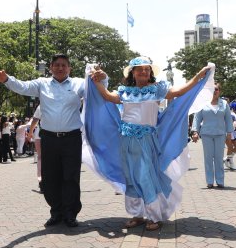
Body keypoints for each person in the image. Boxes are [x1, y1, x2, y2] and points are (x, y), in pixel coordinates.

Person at [86, 57, 213, 230]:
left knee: (145, 176)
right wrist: (96, 81)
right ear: (133, 72)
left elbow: (178, 92)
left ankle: (154, 216)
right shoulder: (125, 91)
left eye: (146, 69)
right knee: (130, 176)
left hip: (146, 140)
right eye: (139, 69)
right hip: (126, 139)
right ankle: (137, 214)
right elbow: (107, 96)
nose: (143, 72)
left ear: (150, 73)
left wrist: (197, 77)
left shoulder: (157, 90)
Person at [0, 53, 108, 228]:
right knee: (50, 177)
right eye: (57, 65)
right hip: (48, 138)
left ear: (69, 68)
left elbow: (98, 91)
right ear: (51, 68)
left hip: (71, 138)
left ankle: (70, 214)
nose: (60, 68)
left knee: (70, 177)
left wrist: (103, 78)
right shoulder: (42, 84)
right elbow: (23, 87)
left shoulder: (79, 83)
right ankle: (56, 212)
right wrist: (6, 79)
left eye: (64, 65)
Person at [191, 83, 233, 188]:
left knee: (219, 158)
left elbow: (228, 119)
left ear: (220, 91)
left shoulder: (224, 104)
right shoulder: (203, 103)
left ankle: (220, 180)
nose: (215, 91)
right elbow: (197, 118)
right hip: (206, 134)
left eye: (217, 89)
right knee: (208, 158)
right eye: (213, 89)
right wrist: (195, 131)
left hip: (220, 134)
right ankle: (209, 181)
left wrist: (229, 133)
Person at [27, 105, 42, 191]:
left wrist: (30, 133)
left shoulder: (41, 106)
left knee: (41, 158)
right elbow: (35, 120)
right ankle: (41, 180)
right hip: (44, 135)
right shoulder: (41, 106)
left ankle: (42, 180)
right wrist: (30, 133)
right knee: (41, 158)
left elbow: (35, 120)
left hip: (41, 134)